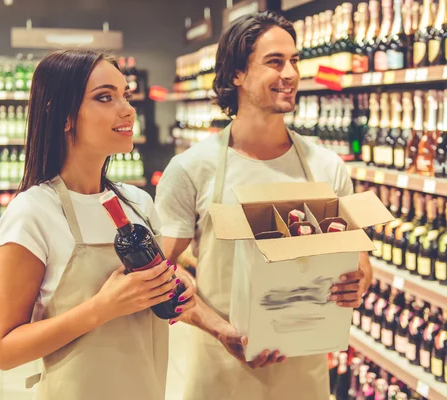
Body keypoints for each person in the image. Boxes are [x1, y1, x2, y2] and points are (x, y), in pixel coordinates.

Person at [155, 11, 373, 400]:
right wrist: (220, 330)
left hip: (303, 370)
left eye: (294, 61)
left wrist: (356, 284)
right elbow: (159, 278)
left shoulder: (327, 167)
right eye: (275, 62)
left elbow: (358, 264)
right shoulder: (192, 169)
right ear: (237, 74)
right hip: (219, 367)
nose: (290, 73)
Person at [0, 49, 196, 400]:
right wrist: (102, 308)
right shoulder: (33, 213)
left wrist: (175, 285)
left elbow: (156, 290)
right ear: (64, 115)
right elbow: (3, 350)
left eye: (125, 95)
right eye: (104, 97)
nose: (127, 109)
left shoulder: (138, 203)